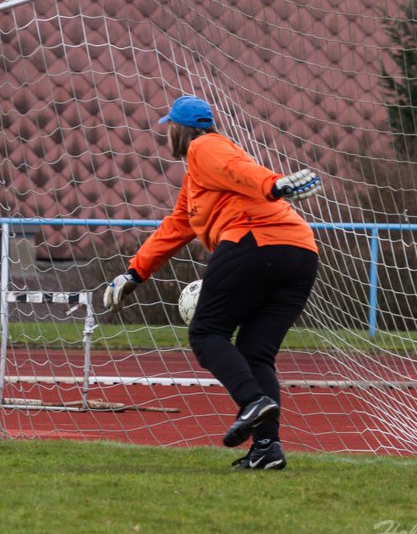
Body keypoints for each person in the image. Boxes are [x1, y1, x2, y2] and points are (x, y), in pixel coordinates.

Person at [102, 95, 322, 470]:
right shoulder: (198, 183)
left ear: (178, 130)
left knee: (206, 332)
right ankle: (267, 448)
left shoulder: (205, 147)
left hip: (255, 242)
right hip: (300, 254)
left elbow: (239, 167)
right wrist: (134, 273)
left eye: (168, 127)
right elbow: (176, 227)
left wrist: (275, 185)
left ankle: (252, 401)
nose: (166, 134)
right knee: (255, 352)